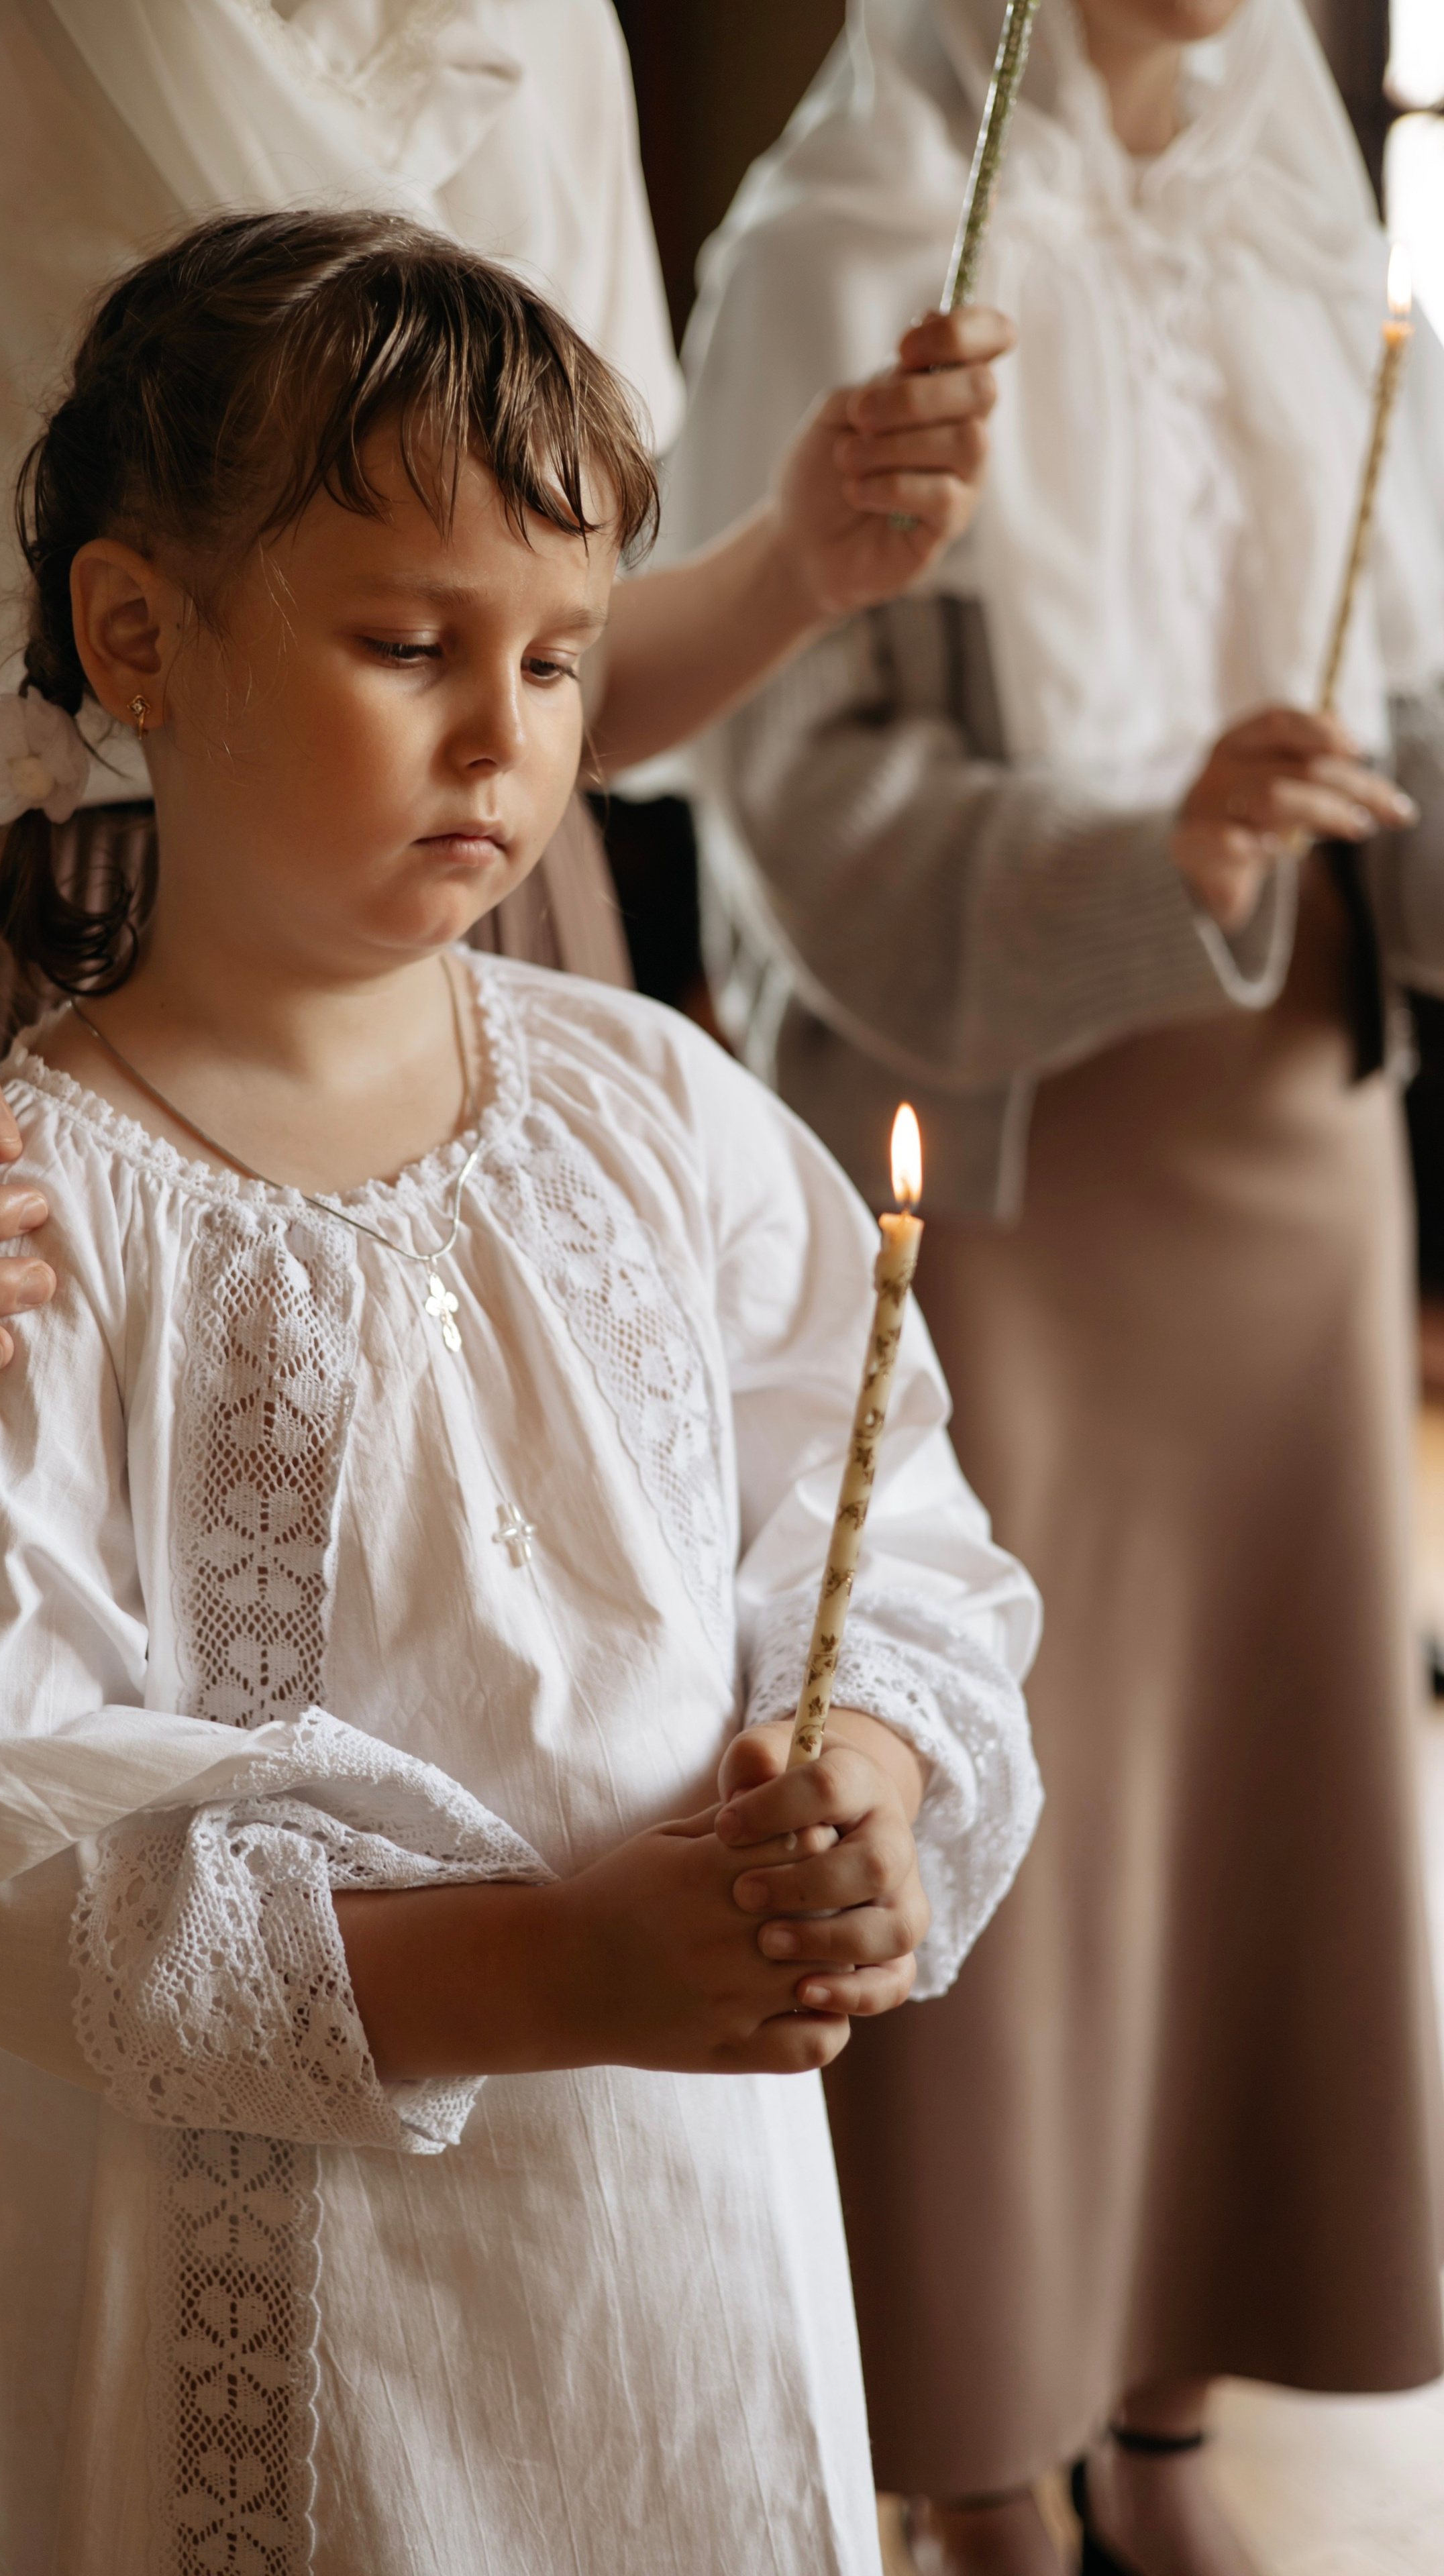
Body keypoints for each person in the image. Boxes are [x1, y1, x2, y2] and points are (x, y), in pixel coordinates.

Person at [0, 7, 1009, 2556]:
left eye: (545, 666)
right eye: (414, 656)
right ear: (140, 639)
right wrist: (549, 1975)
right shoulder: (32, 1210)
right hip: (261, 2354)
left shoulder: (654, 1121)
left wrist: (873, 1778)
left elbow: (893, 1542)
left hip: (665, 2280)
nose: (510, 744)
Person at [663, 0, 1444, 2571]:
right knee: (981, 1777)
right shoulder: (844, 239)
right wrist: (1161, 847)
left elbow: (1400, 647)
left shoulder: (1310, 202)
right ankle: (979, 2456)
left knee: (1257, 1782)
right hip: (992, 1145)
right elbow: (789, 785)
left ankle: (1182, 2420)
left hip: (1294, 1135)